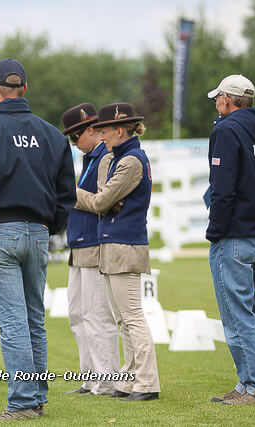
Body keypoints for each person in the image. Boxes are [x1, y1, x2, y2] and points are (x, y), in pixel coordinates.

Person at [0, 58, 76, 421]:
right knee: (33, 319)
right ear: (24, 89)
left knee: (12, 321)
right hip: (38, 232)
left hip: (0, 231)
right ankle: (35, 397)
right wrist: (51, 228)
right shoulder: (52, 135)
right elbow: (66, 192)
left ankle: (23, 402)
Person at [205, 74, 255, 405]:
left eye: (218, 98)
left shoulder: (226, 130)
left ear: (227, 99)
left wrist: (215, 230)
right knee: (252, 313)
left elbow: (223, 188)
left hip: (233, 235)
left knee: (237, 317)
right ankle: (247, 382)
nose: (216, 103)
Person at [75, 102, 160, 402]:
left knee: (132, 316)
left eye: (105, 131)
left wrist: (72, 192)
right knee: (124, 318)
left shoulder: (131, 161)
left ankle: (148, 381)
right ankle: (130, 377)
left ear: (120, 130)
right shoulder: (117, 159)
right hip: (114, 241)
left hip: (125, 244)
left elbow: (101, 202)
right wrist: (104, 199)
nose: (102, 136)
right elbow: (104, 199)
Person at [62, 103, 120, 396]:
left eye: (76, 136)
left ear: (92, 130)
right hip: (78, 244)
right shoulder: (89, 160)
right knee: (77, 315)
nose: (75, 143)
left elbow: (102, 201)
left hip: (95, 243)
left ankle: (107, 380)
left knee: (98, 316)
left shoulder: (105, 159)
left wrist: (70, 193)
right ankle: (89, 378)